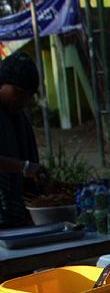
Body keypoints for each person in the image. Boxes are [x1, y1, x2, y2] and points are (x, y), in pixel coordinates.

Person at [0, 51, 48, 229]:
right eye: (18, 92)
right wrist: (24, 167)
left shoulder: (20, 117)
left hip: (17, 217)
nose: (23, 100)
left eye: (28, 95)